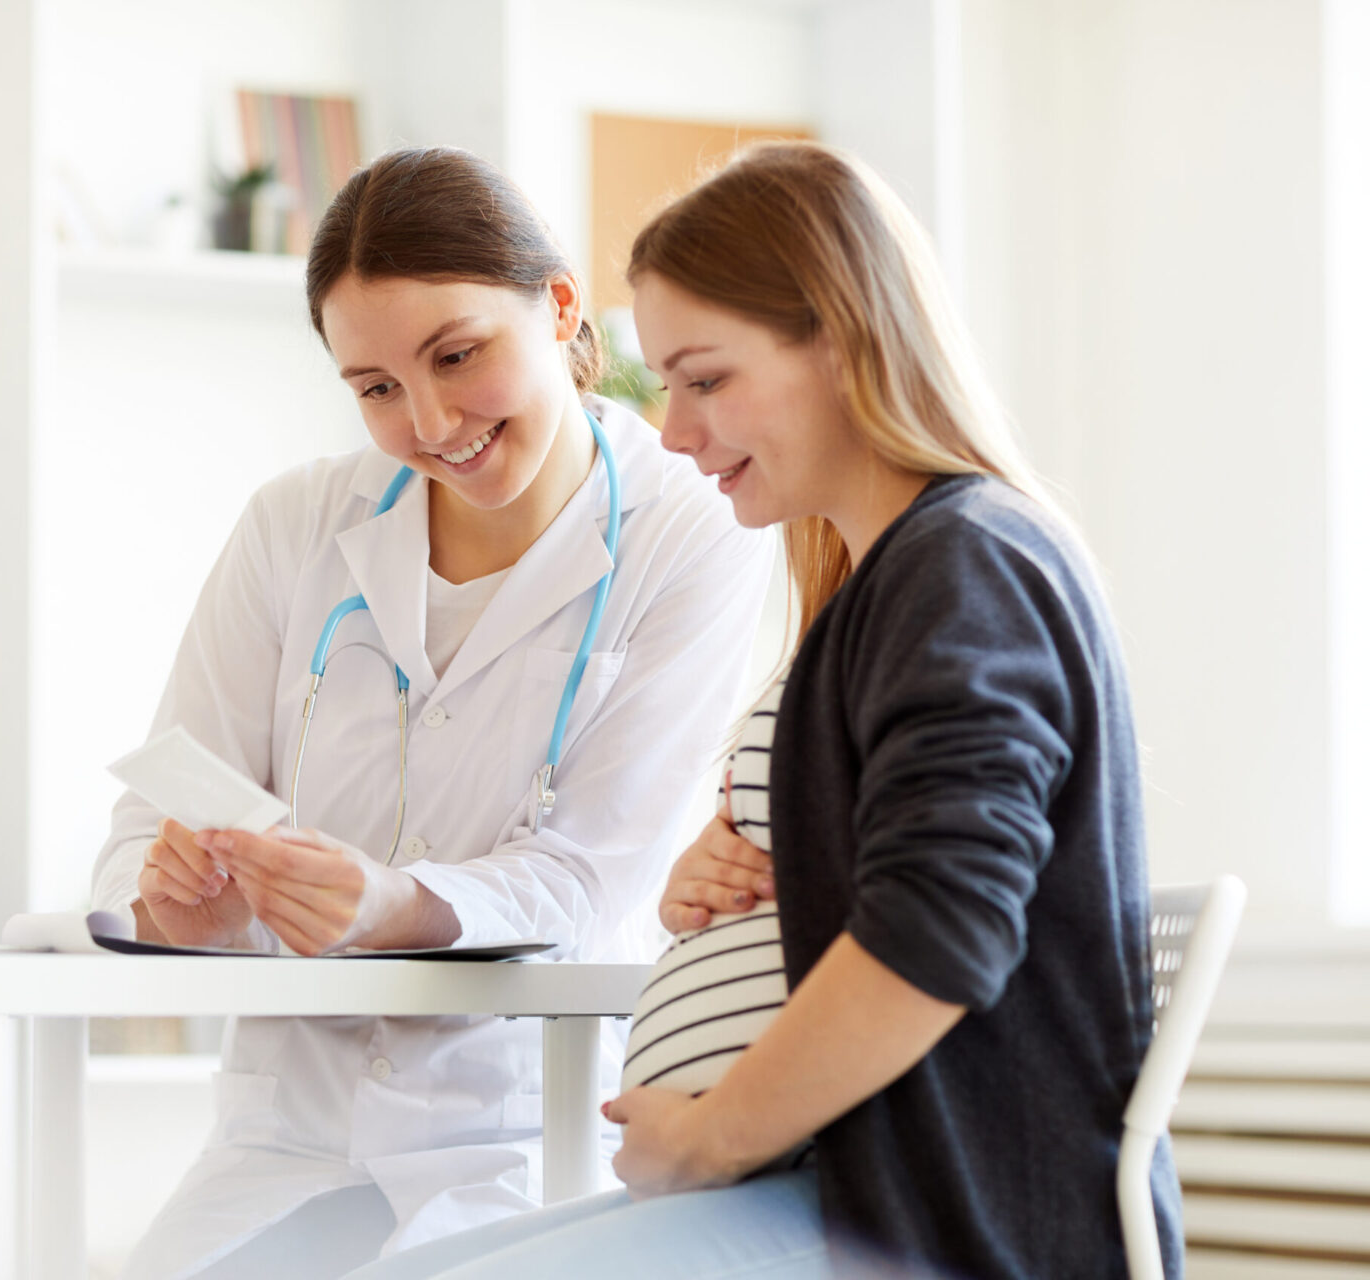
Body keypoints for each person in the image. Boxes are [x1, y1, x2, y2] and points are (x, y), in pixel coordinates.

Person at [348, 140, 1182, 1280]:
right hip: (847, 1190)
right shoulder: (891, 581)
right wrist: (769, 877)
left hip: (932, 1221)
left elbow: (942, 928)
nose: (678, 435)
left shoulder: (965, 569)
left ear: (841, 339)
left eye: (705, 378)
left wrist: (713, 1131)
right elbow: (932, 874)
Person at [89, 147, 774, 1280]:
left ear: (558, 308)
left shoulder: (686, 523)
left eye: (458, 355)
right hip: (288, 1129)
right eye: (375, 388)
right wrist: (177, 910)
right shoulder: (296, 525)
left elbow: (597, 878)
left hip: (521, 1127)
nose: (431, 418)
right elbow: (141, 831)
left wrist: (388, 902)